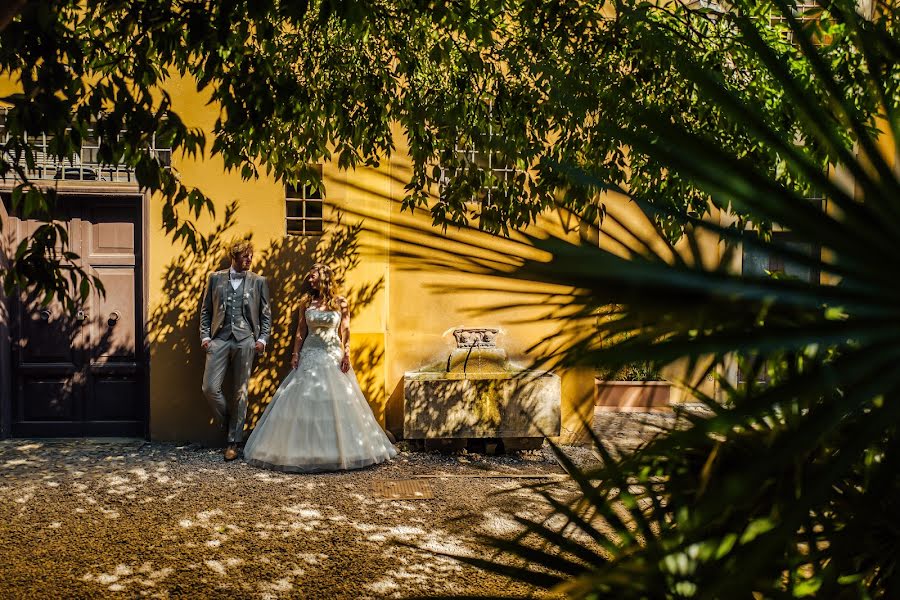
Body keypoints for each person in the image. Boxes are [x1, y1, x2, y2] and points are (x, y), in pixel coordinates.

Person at [244, 263, 397, 472]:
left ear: (324, 277)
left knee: (338, 400)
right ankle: (303, 452)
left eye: (313, 275)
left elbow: (345, 330)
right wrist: (295, 353)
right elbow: (300, 330)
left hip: (332, 354)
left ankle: (341, 452)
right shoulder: (306, 302)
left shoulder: (340, 302)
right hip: (310, 353)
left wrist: (347, 353)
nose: (310, 280)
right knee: (303, 399)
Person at [199, 239, 272, 461]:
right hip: (219, 339)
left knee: (241, 391)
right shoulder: (215, 278)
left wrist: (262, 339)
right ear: (235, 256)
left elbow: (266, 314)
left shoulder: (259, 282)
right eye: (245, 256)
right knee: (209, 388)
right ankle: (231, 420)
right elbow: (205, 310)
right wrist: (205, 337)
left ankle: (233, 441)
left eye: (251, 255)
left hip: (245, 340)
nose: (250, 259)